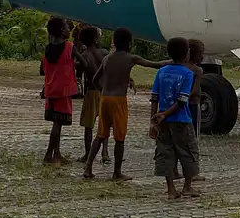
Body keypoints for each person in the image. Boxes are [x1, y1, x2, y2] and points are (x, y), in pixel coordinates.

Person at [82, 27, 169, 181]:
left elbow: (95, 79)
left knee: (100, 135)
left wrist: (102, 90)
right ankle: (117, 172)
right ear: (129, 43)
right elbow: (154, 64)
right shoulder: (131, 58)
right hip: (118, 101)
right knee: (119, 137)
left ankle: (88, 168)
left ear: (114, 42)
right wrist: (173, 61)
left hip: (105, 99)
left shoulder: (107, 58)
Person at [150, 37, 200, 199]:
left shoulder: (161, 72)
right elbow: (182, 100)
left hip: (163, 122)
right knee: (188, 152)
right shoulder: (188, 74)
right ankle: (187, 187)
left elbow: (154, 97)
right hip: (182, 120)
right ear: (186, 54)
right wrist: (166, 114)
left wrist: (153, 120)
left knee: (165, 153)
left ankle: (171, 189)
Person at [42, 17, 90, 164]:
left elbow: (43, 69)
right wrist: (72, 64)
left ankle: (57, 154)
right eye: (67, 27)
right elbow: (84, 64)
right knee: (57, 123)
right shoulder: (70, 47)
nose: (70, 29)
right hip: (63, 90)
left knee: (56, 121)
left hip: (51, 89)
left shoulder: (48, 48)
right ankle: (48, 155)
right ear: (62, 31)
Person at [77, 26, 110, 163]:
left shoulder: (84, 55)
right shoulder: (104, 53)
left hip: (91, 92)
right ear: (96, 39)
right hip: (105, 92)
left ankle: (87, 153)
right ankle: (105, 153)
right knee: (105, 124)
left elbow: (79, 71)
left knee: (88, 126)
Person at [173, 39, 205, 182]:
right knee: (193, 140)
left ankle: (174, 169)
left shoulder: (177, 67)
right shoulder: (197, 70)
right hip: (192, 106)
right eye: (201, 53)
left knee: (176, 138)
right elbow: (195, 91)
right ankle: (193, 171)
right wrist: (186, 98)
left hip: (177, 106)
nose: (203, 57)